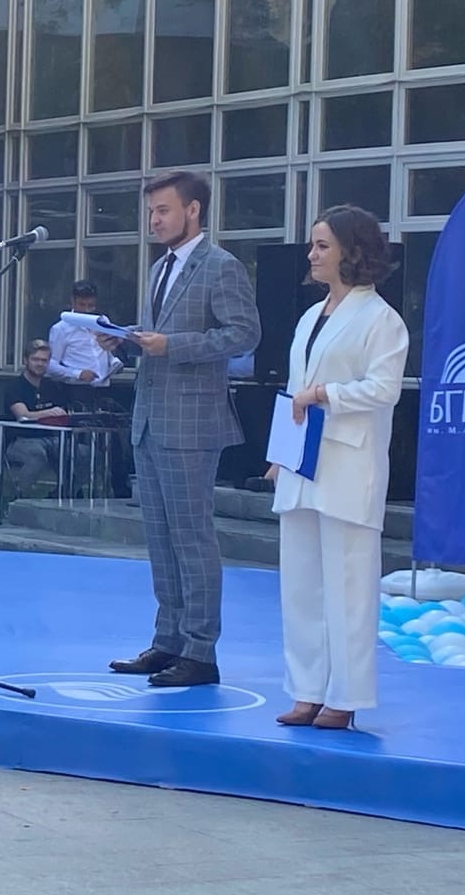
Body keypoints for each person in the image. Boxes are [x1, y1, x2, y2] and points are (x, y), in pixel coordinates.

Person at [100, 171, 261, 688]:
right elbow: (159, 338)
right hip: (150, 417)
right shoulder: (159, 268)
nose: (154, 220)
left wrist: (174, 345)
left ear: (193, 210)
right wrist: (128, 341)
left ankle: (200, 650)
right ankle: (167, 640)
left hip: (192, 422)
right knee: (160, 539)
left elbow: (245, 334)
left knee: (192, 539)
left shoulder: (221, 266)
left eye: (163, 210)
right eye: (151, 212)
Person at [269, 207, 409, 731]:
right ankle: (306, 690)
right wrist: (280, 453)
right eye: (313, 244)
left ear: (353, 251)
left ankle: (345, 696)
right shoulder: (310, 316)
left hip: (349, 464)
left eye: (322, 245)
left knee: (348, 588)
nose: (312, 254)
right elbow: (294, 392)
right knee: (301, 586)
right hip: (302, 463)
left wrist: (326, 393)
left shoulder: (382, 319)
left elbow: (384, 389)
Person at [3, 340, 65, 504]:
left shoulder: (53, 387)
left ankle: (62, 494)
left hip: (51, 438)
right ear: (25, 360)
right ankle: (18, 500)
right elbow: (23, 415)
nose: (40, 364)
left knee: (83, 454)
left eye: (44, 360)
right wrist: (49, 413)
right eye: (35, 359)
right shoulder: (15, 387)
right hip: (20, 439)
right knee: (37, 455)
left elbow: (63, 412)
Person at [48, 279, 123, 405]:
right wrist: (78, 374)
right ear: (73, 302)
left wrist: (114, 362)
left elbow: (105, 349)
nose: (87, 310)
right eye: (82, 305)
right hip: (77, 389)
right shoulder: (61, 328)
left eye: (91, 305)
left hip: (104, 388)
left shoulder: (103, 321)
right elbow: (51, 365)